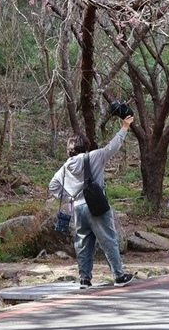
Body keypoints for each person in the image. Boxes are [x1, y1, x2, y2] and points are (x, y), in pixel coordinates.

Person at [48, 115, 135, 289]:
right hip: (96, 206)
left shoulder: (65, 167)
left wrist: (68, 198)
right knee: (108, 239)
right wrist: (125, 127)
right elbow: (113, 146)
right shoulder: (94, 156)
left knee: (82, 243)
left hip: (78, 208)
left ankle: (84, 280)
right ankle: (118, 276)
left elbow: (53, 186)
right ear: (85, 145)